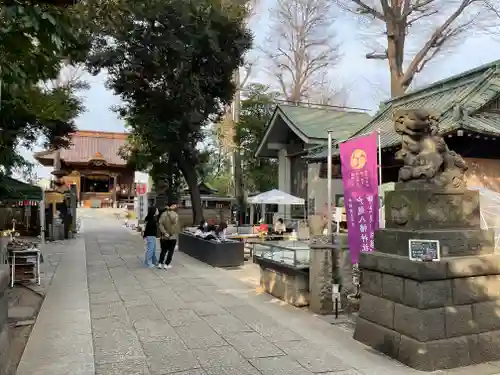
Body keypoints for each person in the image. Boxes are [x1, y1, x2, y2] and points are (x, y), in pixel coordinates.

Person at [158, 201, 180, 269]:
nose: (176, 206)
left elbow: (160, 224)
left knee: (163, 250)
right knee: (171, 251)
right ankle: (167, 264)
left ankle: (160, 263)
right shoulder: (176, 215)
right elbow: (175, 226)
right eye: (175, 205)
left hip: (164, 236)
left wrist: (165, 232)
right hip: (172, 236)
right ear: (172, 206)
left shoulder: (163, 214)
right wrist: (171, 234)